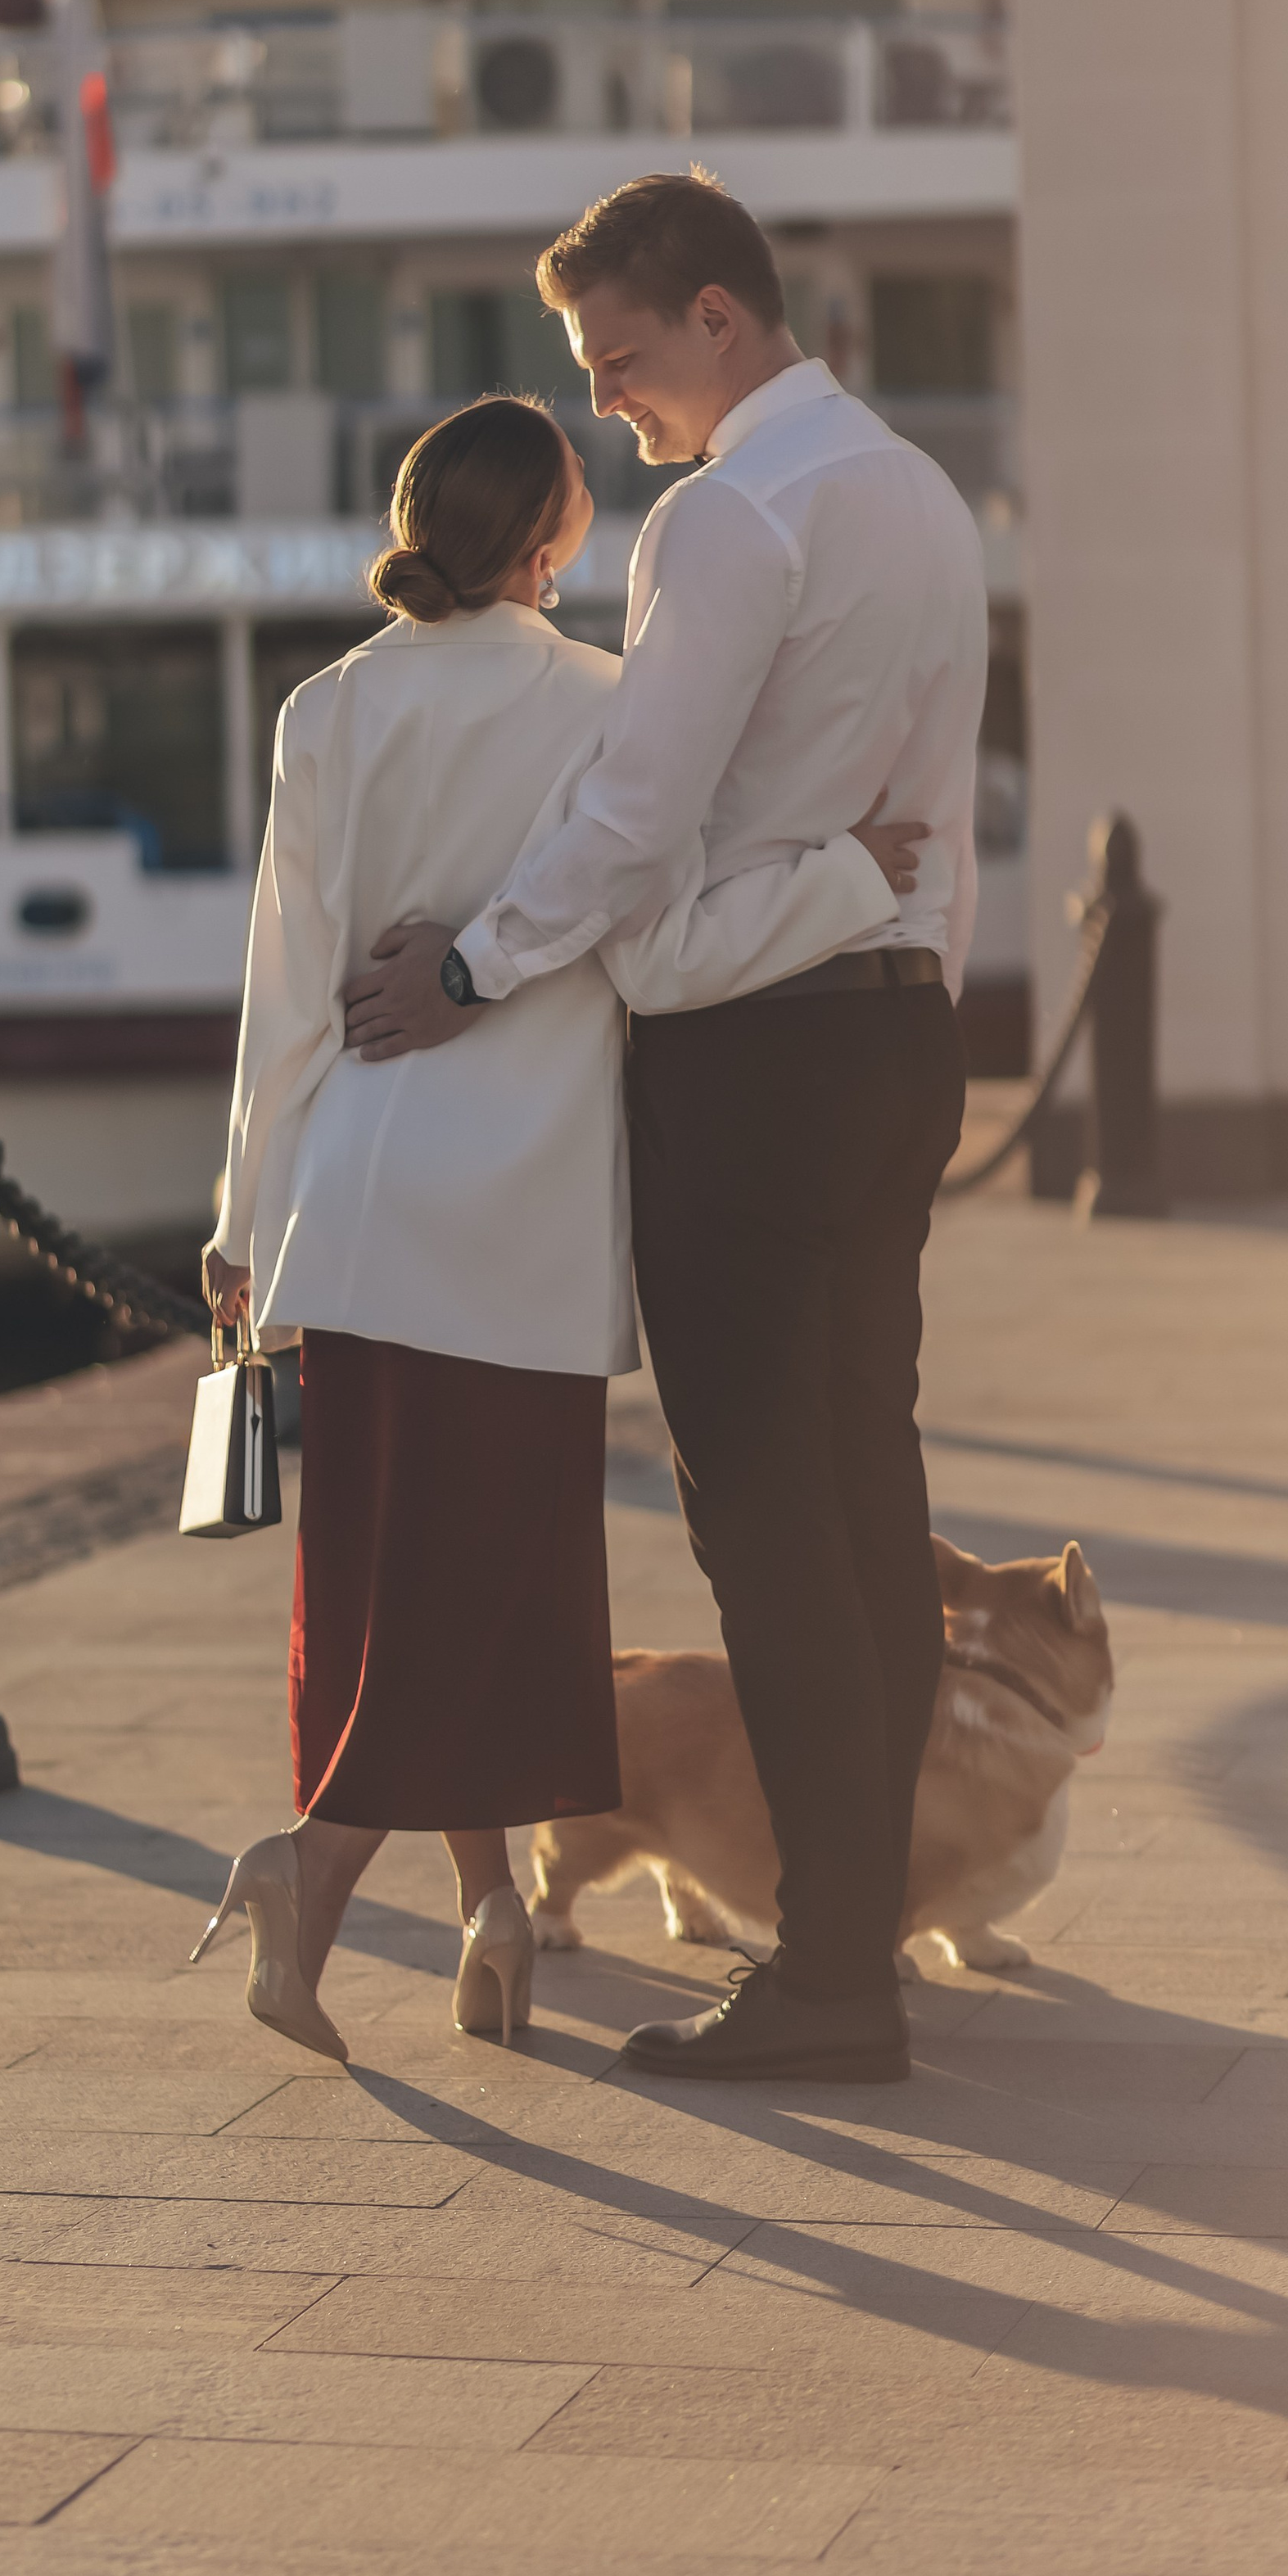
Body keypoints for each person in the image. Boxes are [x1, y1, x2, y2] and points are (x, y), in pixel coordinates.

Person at [342, 171, 988, 2086]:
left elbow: (633, 815)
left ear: (718, 316)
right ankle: (856, 1945)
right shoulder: (918, 494)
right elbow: (932, 819)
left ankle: (833, 1981)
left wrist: (469, 966)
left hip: (753, 1059)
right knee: (868, 1496)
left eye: (617, 358)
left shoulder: (727, 517)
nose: (605, 403)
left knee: (769, 1524)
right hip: (899, 1033)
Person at [194, 390, 923, 2065]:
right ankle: (317, 1872)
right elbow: (664, 945)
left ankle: (490, 1912)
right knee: (495, 1587)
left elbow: (284, 994)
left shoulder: (324, 710)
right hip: (516, 1226)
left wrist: (245, 1215)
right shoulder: (606, 705)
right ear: (552, 538)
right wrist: (848, 878)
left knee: (389, 1579)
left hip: (358, 1209)